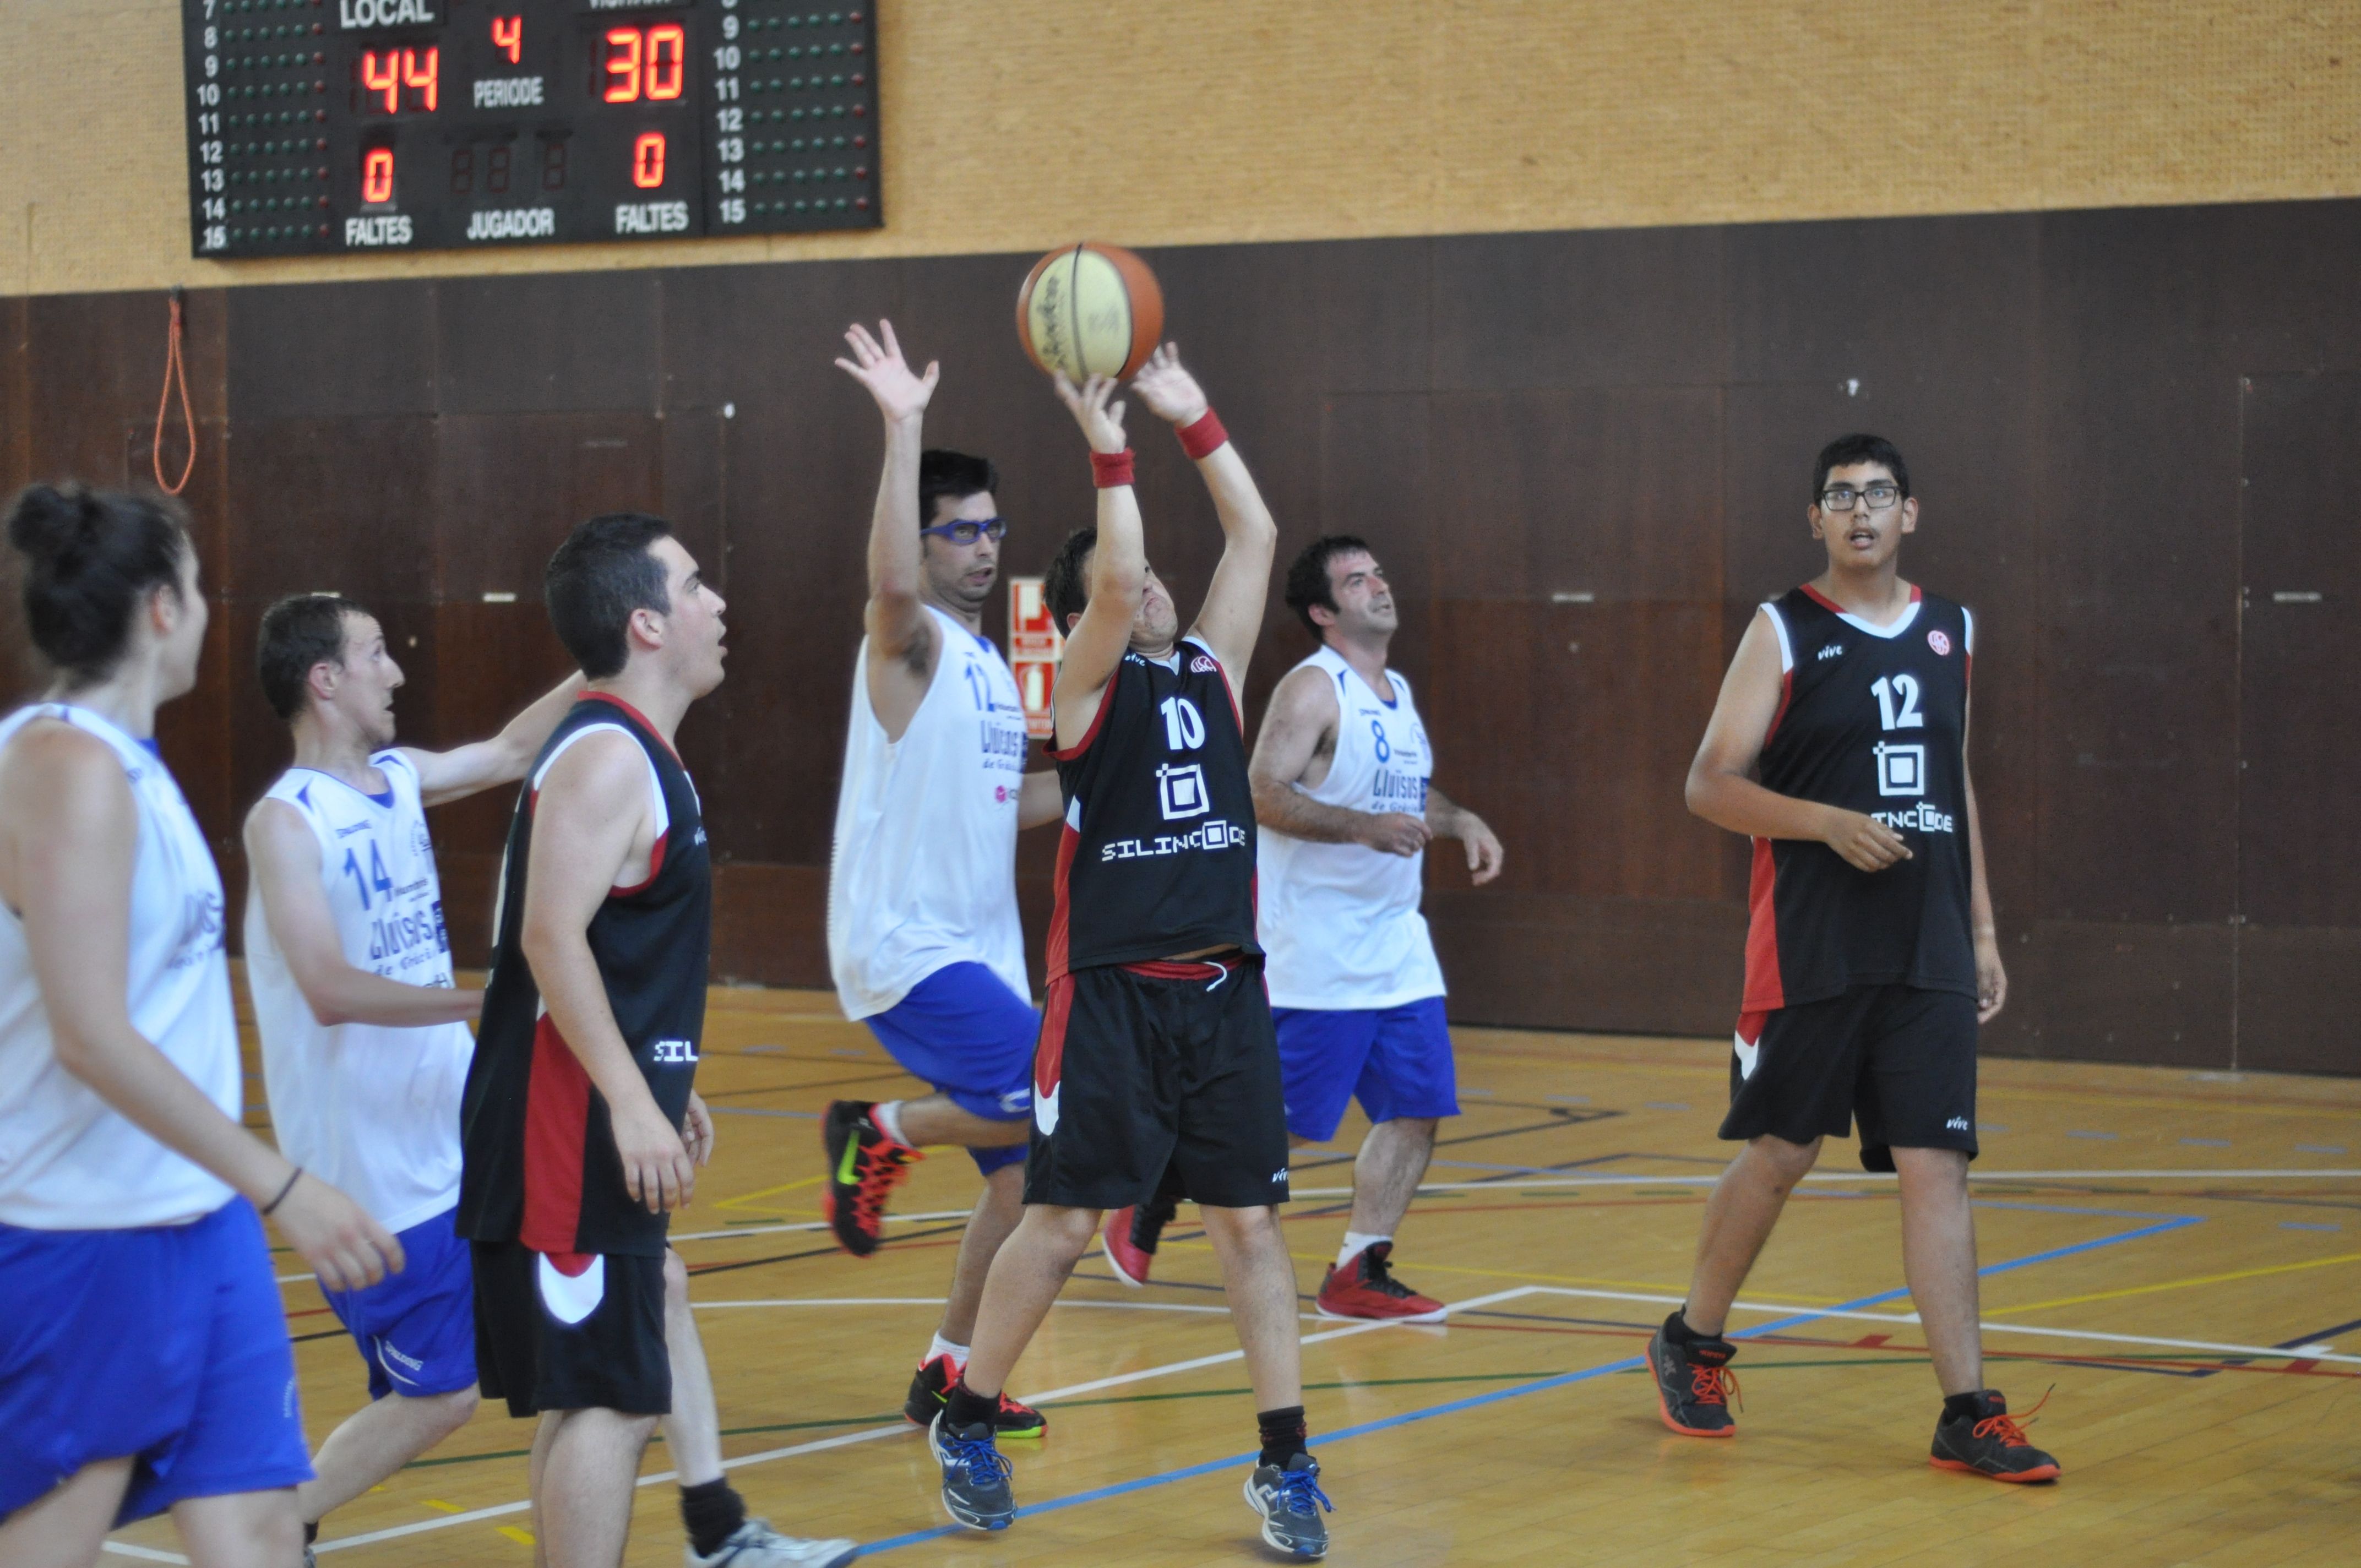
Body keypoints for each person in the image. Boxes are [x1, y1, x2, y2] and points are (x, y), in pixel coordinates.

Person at [926, 351, 1336, 1560]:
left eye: (1159, 576)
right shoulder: (1078, 691)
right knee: (1057, 1224)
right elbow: (1110, 579)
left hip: (1224, 991)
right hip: (1106, 998)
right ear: (1085, 611)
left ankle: (1284, 1460)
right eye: (1133, 578)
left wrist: (1187, 416)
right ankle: (965, 1415)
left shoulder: (1210, 667)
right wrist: (1109, 453)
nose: (1153, 585)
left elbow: (1253, 529)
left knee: (1252, 1228)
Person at [0, 484, 398, 1568]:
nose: (213, 609)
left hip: (197, 1219)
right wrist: (281, 1183)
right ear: (161, 608)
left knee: (263, 1525)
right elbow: (88, 1033)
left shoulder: (133, 761)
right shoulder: (62, 764)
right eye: (200, 586)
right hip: (84, 1233)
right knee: (53, 1537)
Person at [1650, 434, 2058, 1483]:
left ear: (1910, 513)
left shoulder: (1953, 629)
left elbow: (1950, 779)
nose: (1862, 511)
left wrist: (1980, 928)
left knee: (1938, 1166)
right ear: (1817, 520)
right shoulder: (1783, 630)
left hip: (1925, 946)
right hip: (1814, 944)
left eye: (1880, 495)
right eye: (1842, 497)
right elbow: (1708, 784)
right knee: (1785, 1153)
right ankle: (1690, 1338)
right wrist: (1826, 823)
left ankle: (1968, 1409)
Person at [454, 514, 856, 1568]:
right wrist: (629, 1102)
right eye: (694, 586)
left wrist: (661, 1079)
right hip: (559, 1130)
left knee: (598, 1390)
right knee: (613, 1400)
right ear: (645, 623)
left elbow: (614, 949)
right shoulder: (604, 756)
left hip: (585, 1110)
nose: (718, 604)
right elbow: (549, 936)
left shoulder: (636, 752)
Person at [243, 593, 585, 1555]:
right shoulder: (286, 823)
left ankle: (703, 1504)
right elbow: (326, 987)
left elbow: (514, 750)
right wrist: (486, 1003)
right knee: (436, 1397)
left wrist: (604, 656)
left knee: (628, 1291)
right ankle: (282, 1525)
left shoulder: (396, 778)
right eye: (377, 654)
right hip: (377, 1177)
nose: (396, 672)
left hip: (460, 1134)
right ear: (326, 680)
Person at [1099, 536, 1502, 1320]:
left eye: (1379, 571)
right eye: (1357, 580)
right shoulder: (1314, 691)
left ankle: (1360, 1266)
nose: (1379, 584)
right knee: (1269, 1127)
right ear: (1323, 612)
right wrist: (1359, 829)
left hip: (1396, 945)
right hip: (1315, 950)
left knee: (1417, 1109)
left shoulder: (1397, 693)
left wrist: (1460, 820)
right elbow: (1259, 794)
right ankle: (1151, 1190)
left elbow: (1409, 795)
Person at [820, 322, 1063, 1439]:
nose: (979, 546)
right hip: (904, 940)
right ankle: (879, 1127)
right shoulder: (906, 641)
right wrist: (898, 426)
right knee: (1045, 1093)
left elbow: (1009, 805)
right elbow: (880, 580)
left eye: (988, 529)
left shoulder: (989, 670)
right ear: (919, 546)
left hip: (978, 946)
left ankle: (947, 1371)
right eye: (956, 531)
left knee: (1023, 1184)